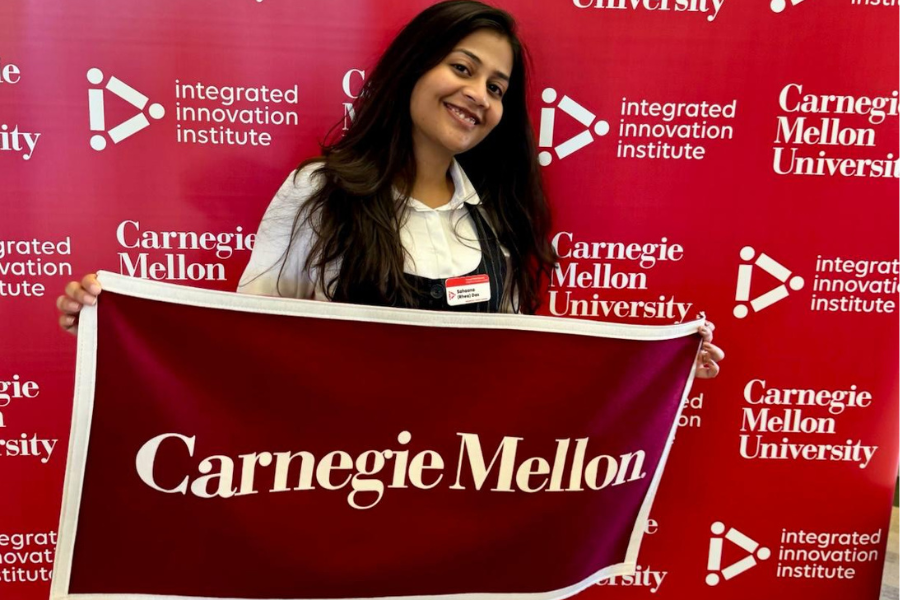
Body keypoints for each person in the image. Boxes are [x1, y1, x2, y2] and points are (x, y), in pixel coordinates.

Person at [55, 0, 723, 376]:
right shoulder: (321, 193)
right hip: (341, 484)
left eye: (497, 88)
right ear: (412, 69)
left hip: (459, 490)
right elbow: (248, 341)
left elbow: (523, 370)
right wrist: (118, 324)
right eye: (462, 68)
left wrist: (655, 371)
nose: (479, 95)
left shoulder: (497, 221)